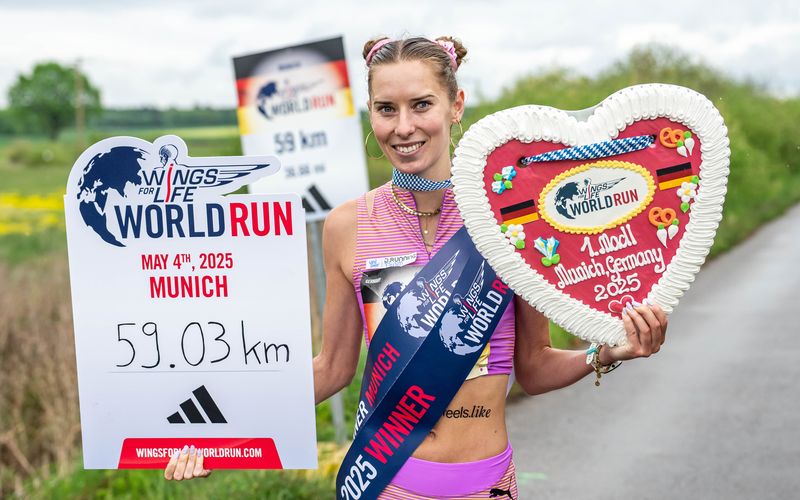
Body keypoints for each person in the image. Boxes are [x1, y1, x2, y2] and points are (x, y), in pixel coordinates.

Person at [165, 35, 668, 498]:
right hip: (388, 483)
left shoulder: (507, 220)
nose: (403, 127)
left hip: (488, 486)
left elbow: (534, 367)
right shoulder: (347, 227)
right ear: (371, 114)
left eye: (421, 105)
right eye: (387, 109)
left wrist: (605, 353)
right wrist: (225, 437)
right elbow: (331, 369)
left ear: (456, 106)